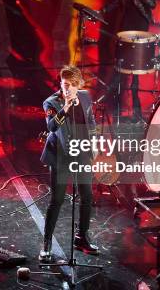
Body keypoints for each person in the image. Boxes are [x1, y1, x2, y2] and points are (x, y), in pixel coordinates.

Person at [39, 65, 98, 262]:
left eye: (71, 86)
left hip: (81, 152)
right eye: (64, 85)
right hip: (60, 155)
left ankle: (81, 237)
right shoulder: (51, 102)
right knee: (57, 200)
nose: (67, 89)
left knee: (87, 196)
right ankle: (46, 244)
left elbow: (90, 121)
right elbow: (51, 126)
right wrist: (65, 107)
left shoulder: (86, 97)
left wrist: (95, 144)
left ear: (78, 85)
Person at [101, 0, 156, 122]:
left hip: (140, 25)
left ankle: (135, 84)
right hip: (127, 24)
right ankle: (117, 79)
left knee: (136, 56)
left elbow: (152, 4)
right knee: (121, 52)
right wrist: (102, 11)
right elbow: (117, 3)